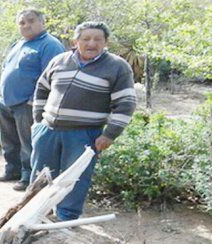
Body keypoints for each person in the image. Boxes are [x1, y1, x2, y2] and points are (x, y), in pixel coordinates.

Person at [30, 21, 136, 221]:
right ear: (75, 41)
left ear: (105, 42)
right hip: (48, 130)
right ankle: (36, 213)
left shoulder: (117, 66)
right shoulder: (60, 61)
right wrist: (38, 122)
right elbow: (42, 89)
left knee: (75, 178)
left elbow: (126, 103)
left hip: (84, 133)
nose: (91, 43)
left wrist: (110, 134)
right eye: (86, 39)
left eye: (98, 39)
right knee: (41, 174)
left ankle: (66, 218)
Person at [0, 9, 65, 191]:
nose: (26, 25)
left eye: (31, 21)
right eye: (22, 22)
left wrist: (33, 101)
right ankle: (12, 170)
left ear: (42, 22)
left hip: (28, 104)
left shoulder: (50, 45)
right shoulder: (18, 44)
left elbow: (52, 77)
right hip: (6, 101)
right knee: (9, 141)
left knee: (28, 143)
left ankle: (28, 177)